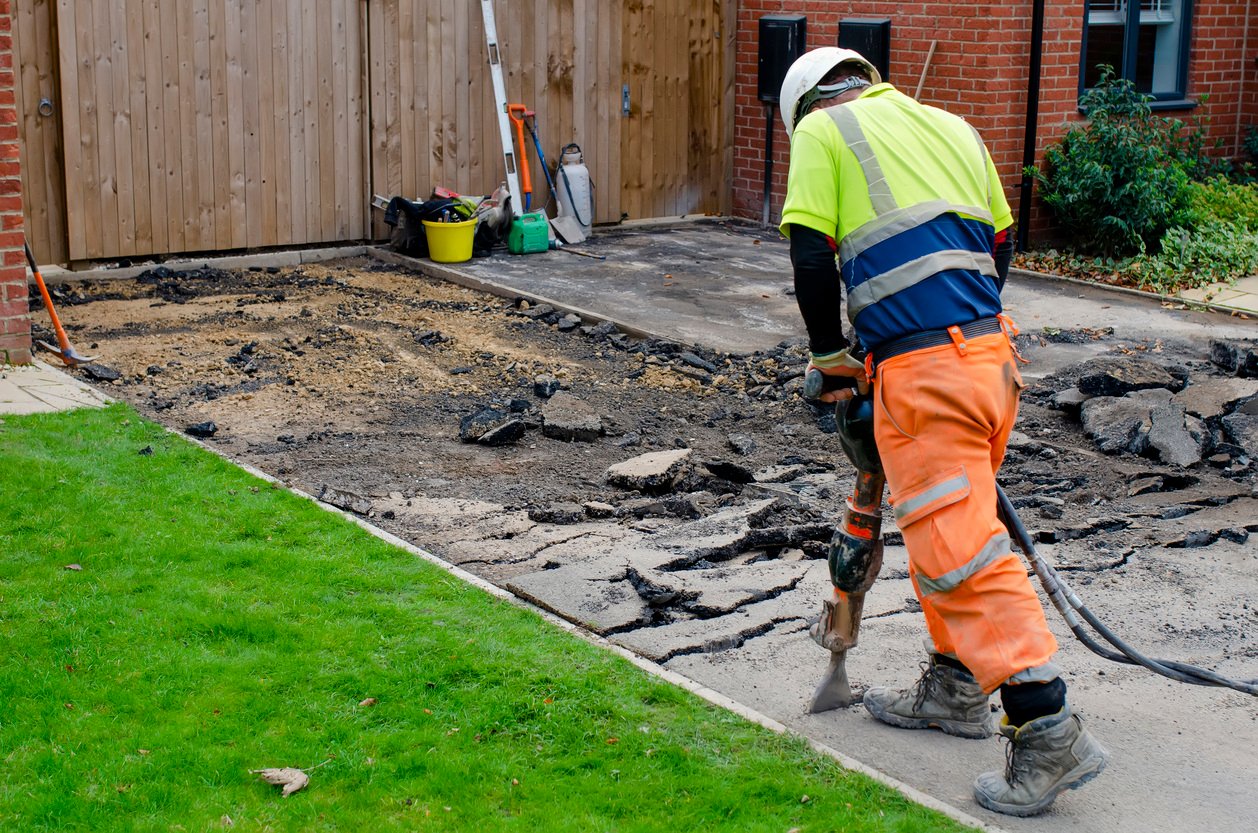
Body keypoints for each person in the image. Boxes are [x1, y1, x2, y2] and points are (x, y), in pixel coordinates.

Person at [776, 47, 1108, 817]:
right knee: (948, 532)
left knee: (961, 553)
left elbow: (810, 257)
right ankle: (957, 686)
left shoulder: (826, 134)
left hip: (925, 377)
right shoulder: (954, 126)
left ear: (804, 108)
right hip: (990, 363)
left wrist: (832, 354)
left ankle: (1047, 726)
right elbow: (1000, 245)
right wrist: (952, 320)